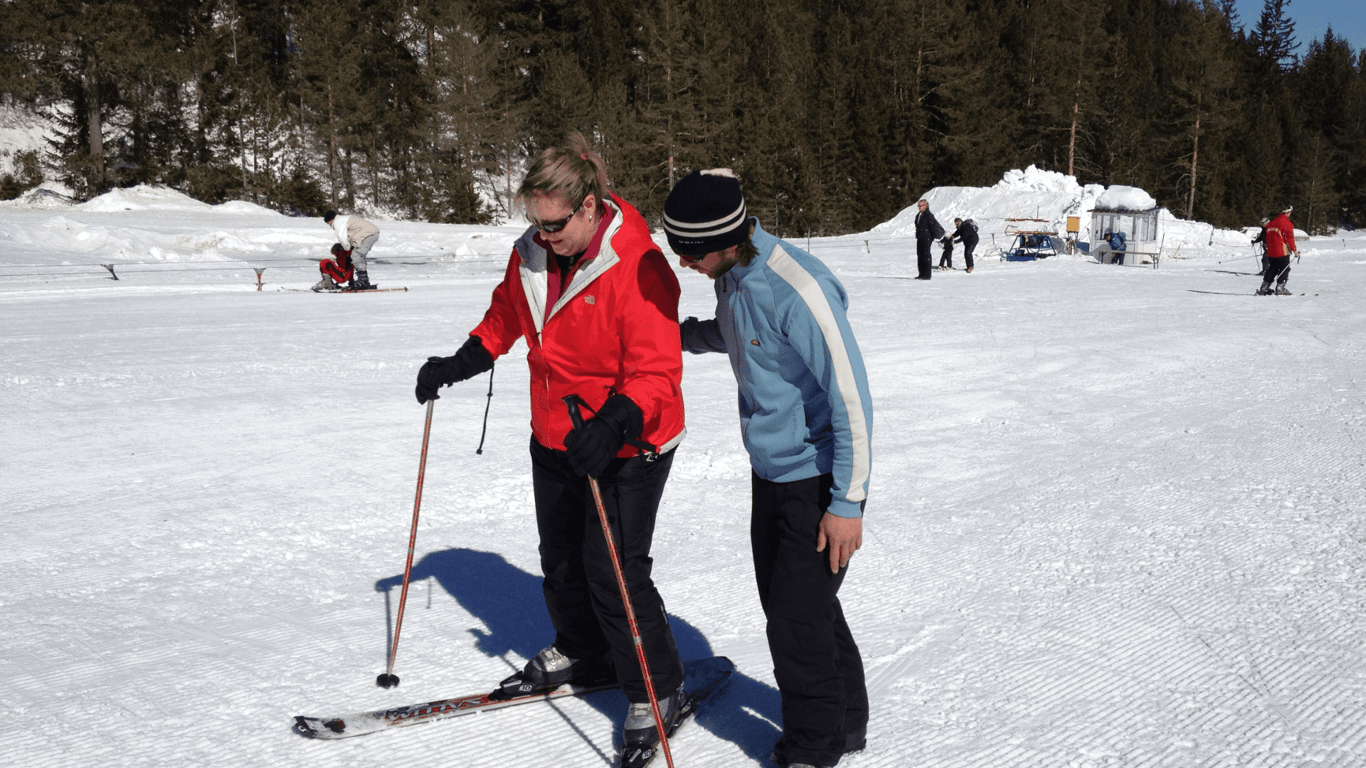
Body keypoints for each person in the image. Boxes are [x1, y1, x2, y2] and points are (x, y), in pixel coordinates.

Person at [413, 133, 688, 755]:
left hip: (628, 441)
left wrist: (614, 422)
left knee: (614, 569)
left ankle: (658, 688)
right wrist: (457, 363)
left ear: (590, 207)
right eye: (534, 223)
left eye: (554, 225)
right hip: (557, 433)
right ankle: (586, 652)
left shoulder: (638, 265)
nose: (544, 236)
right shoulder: (531, 253)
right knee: (561, 558)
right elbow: (506, 318)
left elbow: (655, 369)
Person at [665, 169, 872, 768]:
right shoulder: (730, 274)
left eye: (692, 253)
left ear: (727, 238)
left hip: (820, 478)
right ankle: (846, 722)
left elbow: (851, 398)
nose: (685, 264)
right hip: (771, 474)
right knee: (804, 607)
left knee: (792, 620)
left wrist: (847, 504)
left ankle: (812, 747)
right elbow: (739, 337)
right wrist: (675, 337)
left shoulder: (798, 289)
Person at [323, 210, 380, 290]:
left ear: (330, 220)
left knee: (356, 255)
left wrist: (347, 250)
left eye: (328, 223)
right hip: (369, 233)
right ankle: (363, 280)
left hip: (369, 235)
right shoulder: (342, 219)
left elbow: (342, 238)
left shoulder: (338, 222)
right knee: (356, 256)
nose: (329, 225)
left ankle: (363, 281)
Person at [1258, 205, 1298, 295]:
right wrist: (1294, 250)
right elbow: (1289, 238)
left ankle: (1264, 288)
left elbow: (1267, 237)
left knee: (1272, 269)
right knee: (1285, 269)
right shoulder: (1286, 223)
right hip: (1282, 251)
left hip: (1271, 252)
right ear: (1287, 213)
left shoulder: (1271, 223)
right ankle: (1280, 288)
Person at [913, 198, 944, 280]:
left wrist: (931, 237)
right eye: (918, 206)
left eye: (921, 206)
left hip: (926, 238)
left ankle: (927, 275)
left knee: (926, 256)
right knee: (920, 255)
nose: (919, 207)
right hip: (920, 237)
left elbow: (933, 227)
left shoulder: (928, 215)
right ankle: (921, 274)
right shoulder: (919, 215)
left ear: (925, 206)